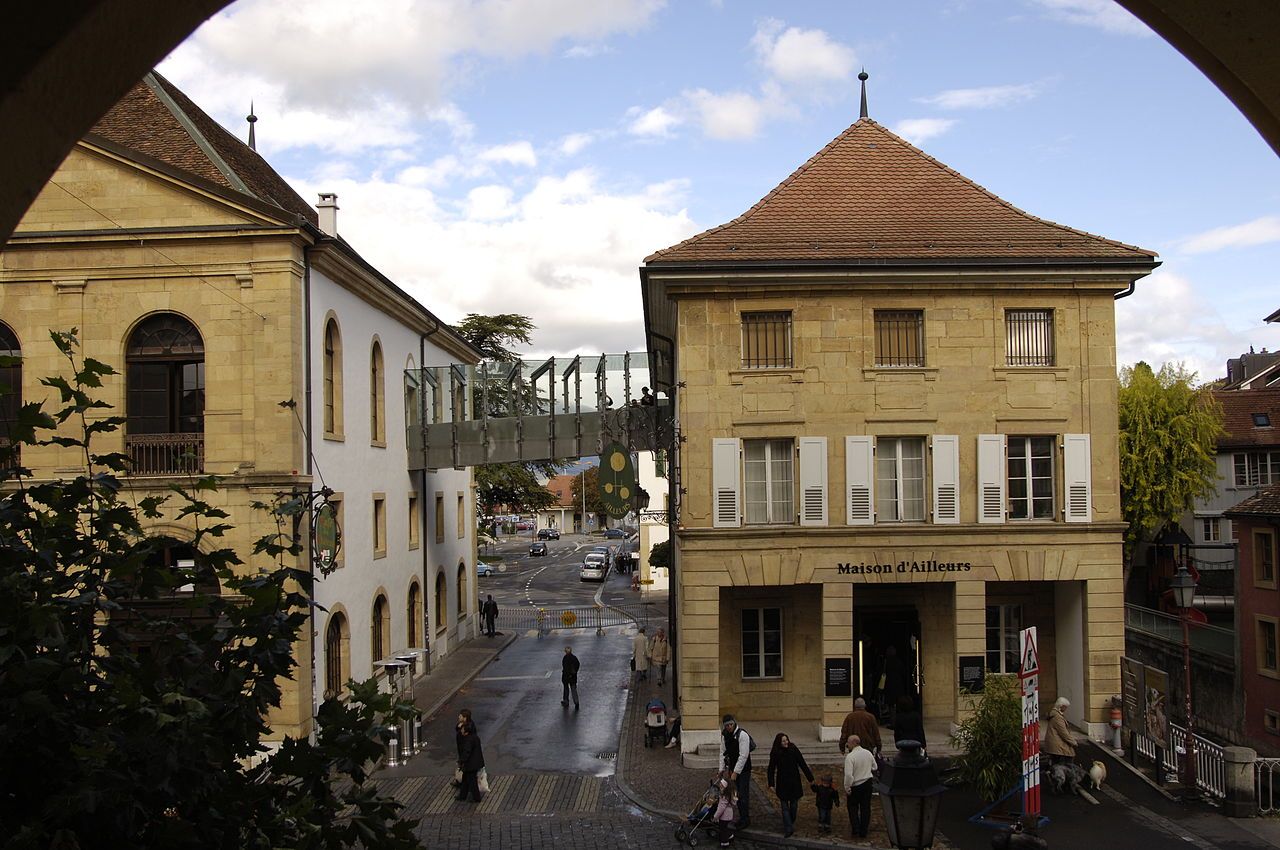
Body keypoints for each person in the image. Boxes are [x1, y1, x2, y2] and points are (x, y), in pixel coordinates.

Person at [766, 732, 814, 839]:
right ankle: (788, 827)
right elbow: (771, 769)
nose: (786, 742)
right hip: (782, 783)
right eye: (783, 741)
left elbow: (802, 763)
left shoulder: (793, 749)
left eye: (786, 740)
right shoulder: (775, 753)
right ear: (779, 742)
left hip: (794, 782)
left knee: (793, 805)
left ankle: (790, 821)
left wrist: (810, 778)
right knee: (784, 807)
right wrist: (771, 783)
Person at [719, 714, 754, 831]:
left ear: (734, 723)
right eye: (727, 725)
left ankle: (745, 819)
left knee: (743, 794)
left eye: (730, 724)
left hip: (743, 770)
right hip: (733, 768)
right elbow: (722, 753)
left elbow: (743, 756)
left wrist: (736, 772)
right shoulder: (725, 736)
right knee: (736, 794)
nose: (729, 727)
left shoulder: (742, 735)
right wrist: (721, 769)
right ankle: (742, 817)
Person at [843, 734, 877, 839]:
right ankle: (864, 830)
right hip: (867, 783)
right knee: (865, 807)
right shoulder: (867, 753)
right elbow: (875, 767)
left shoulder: (850, 757)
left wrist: (847, 787)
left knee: (852, 807)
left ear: (853, 743)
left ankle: (855, 828)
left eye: (848, 743)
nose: (847, 745)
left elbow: (848, 775)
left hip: (856, 785)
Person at [456, 710, 484, 802]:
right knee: (465, 779)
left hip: (471, 764)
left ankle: (476, 798)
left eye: (462, 730)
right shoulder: (474, 737)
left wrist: (461, 761)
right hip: (473, 763)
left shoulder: (468, 740)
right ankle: (462, 795)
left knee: (472, 781)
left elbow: (467, 752)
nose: (461, 731)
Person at [1042, 696, 1076, 766]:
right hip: (1057, 747)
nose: (1066, 709)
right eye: (1065, 707)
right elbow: (1063, 733)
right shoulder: (1058, 718)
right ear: (1061, 706)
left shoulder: (1055, 715)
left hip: (1053, 745)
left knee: (1055, 764)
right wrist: (1073, 742)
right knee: (1065, 762)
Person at [880, 646, 907, 724]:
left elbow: (882, 673)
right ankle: (900, 721)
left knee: (891, 705)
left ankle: (893, 721)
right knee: (899, 704)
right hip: (898, 685)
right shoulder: (899, 661)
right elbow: (903, 672)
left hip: (889, 685)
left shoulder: (886, 662)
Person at [713, 777, 737, 848]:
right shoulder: (729, 795)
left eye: (721, 785)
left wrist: (715, 816)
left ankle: (725, 843)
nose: (720, 786)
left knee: (722, 829)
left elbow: (721, 809)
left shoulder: (724, 797)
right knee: (725, 828)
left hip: (724, 817)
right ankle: (730, 836)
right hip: (729, 815)